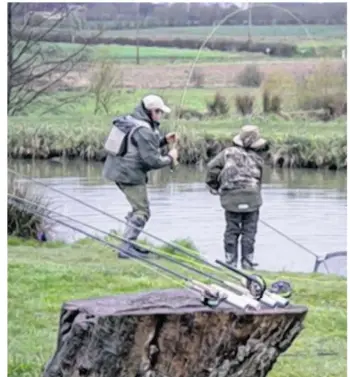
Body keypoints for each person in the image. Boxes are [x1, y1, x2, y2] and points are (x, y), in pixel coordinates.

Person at [103, 94, 178, 259]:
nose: (161, 116)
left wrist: (164, 141)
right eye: (159, 112)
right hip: (129, 175)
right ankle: (126, 248)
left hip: (118, 171)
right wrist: (171, 157)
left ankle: (128, 244)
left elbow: (142, 146)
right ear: (151, 111)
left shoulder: (133, 121)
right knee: (142, 211)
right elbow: (152, 160)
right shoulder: (144, 129)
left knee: (137, 209)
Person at [205, 125, 267, 270]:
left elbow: (211, 168)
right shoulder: (258, 159)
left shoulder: (227, 153)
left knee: (232, 230)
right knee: (249, 232)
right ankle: (247, 263)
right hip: (252, 200)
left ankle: (230, 263)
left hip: (231, 200)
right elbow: (259, 183)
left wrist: (214, 186)